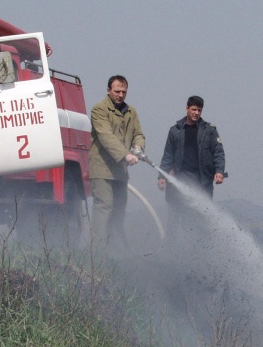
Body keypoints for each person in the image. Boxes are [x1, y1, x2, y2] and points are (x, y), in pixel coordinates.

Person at [89, 75, 145, 251]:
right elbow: (106, 137)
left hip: (120, 171)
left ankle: (115, 249)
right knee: (105, 206)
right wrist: (126, 155)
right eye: (116, 91)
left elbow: (138, 133)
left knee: (119, 209)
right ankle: (97, 253)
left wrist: (138, 147)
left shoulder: (131, 112)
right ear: (108, 91)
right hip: (102, 169)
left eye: (123, 92)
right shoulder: (99, 110)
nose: (120, 95)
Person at [158, 95, 226, 233]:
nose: (196, 113)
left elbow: (218, 152)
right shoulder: (175, 131)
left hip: (202, 181)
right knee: (175, 219)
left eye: (199, 110)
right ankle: (174, 249)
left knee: (201, 220)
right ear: (187, 109)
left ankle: (200, 250)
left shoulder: (210, 131)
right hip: (180, 180)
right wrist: (161, 176)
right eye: (194, 109)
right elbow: (168, 155)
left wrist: (219, 171)